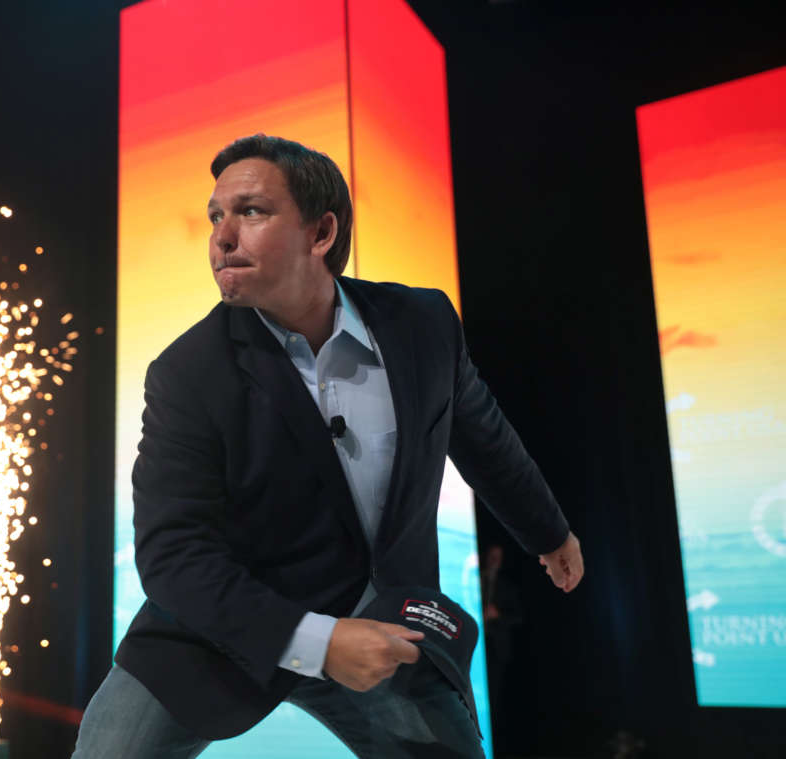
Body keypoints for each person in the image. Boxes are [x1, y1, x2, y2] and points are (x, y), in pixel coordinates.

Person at [72, 134, 584, 758]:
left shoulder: (422, 325)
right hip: (224, 627)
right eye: (215, 216)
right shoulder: (187, 373)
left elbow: (483, 438)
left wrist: (549, 533)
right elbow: (173, 555)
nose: (221, 236)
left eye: (251, 211)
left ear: (322, 233)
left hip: (384, 619)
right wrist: (317, 642)